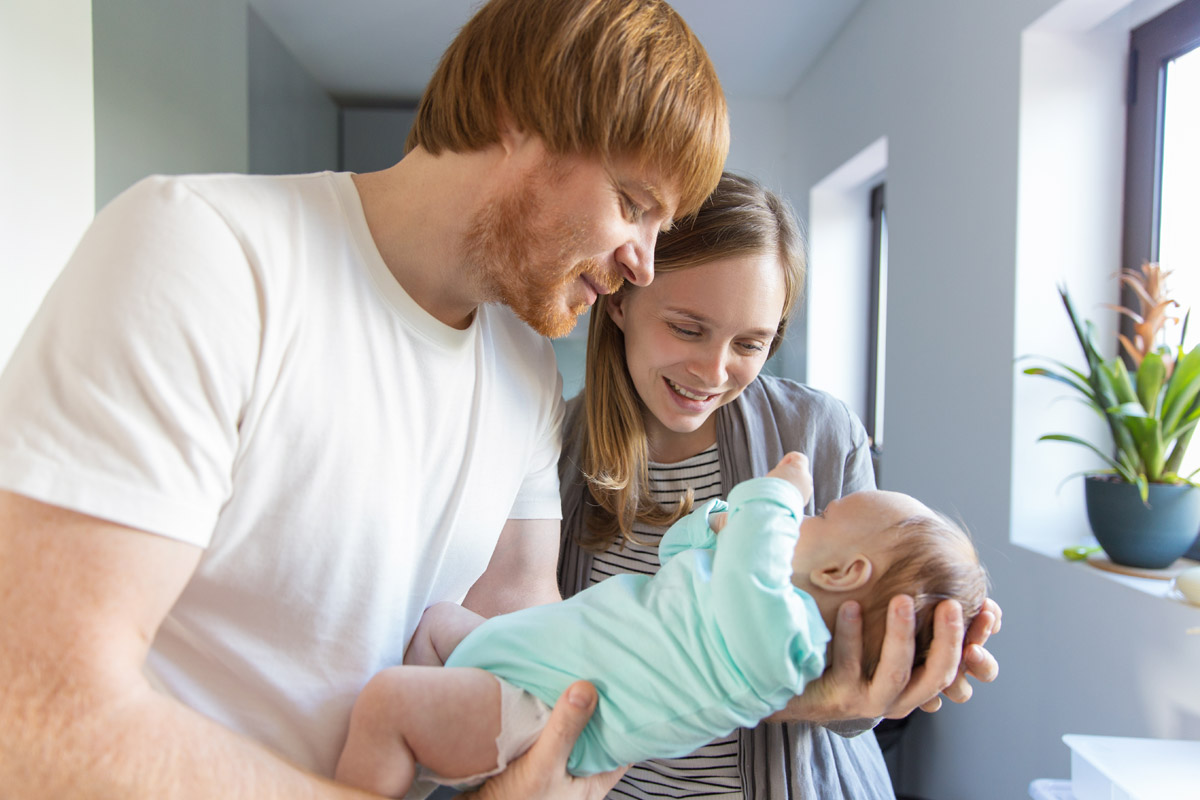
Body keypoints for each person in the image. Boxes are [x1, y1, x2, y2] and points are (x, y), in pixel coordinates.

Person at [0, 1, 728, 798]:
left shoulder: (525, 368)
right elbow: (34, 709)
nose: (645, 265)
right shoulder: (207, 253)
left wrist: (756, 676)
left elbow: (521, 631)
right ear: (517, 116)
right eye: (634, 203)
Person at [556, 172, 1003, 798]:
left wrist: (900, 670)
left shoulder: (822, 433)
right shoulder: (550, 446)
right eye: (687, 328)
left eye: (750, 342)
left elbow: (852, 712)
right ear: (620, 298)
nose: (713, 371)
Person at [333, 451, 989, 798]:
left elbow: (748, 578)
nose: (801, 515)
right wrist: (716, 524)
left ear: (843, 574)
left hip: (536, 713)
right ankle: (414, 772)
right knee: (438, 621)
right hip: (514, 663)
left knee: (388, 704)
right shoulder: (740, 599)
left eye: (820, 518)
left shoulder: (781, 646)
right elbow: (678, 557)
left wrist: (775, 496)